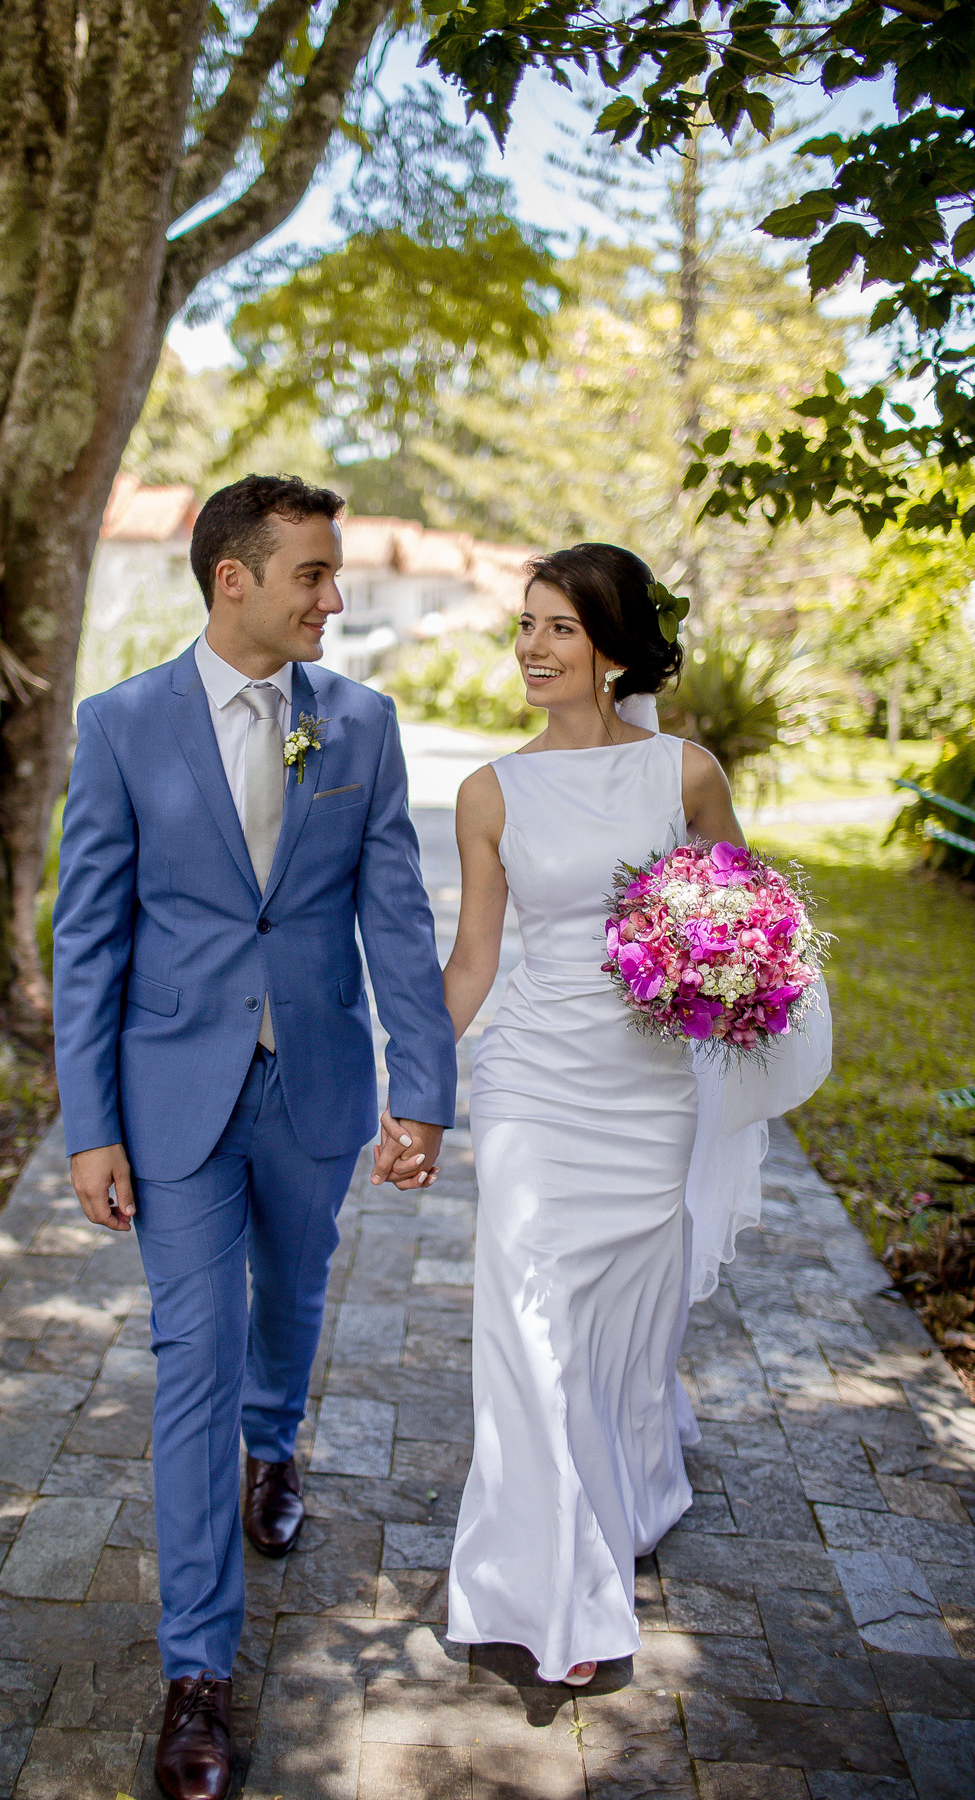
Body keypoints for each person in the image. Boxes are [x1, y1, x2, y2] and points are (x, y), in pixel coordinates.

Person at [52, 473, 457, 1800]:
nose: (335, 599)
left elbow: (395, 913)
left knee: (289, 1303)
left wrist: (424, 1087)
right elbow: (90, 939)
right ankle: (196, 1676)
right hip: (172, 1093)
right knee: (193, 1363)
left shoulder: (361, 724)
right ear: (236, 579)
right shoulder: (120, 727)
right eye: (314, 577)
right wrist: (88, 1125)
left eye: (334, 577)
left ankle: (276, 1445)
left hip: (316, 1084)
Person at [442, 543, 830, 1688]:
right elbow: (472, 961)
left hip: (650, 1092)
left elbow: (753, 924)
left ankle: (629, 1485)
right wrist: (410, 1083)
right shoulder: (490, 791)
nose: (532, 648)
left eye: (558, 627)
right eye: (525, 626)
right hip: (530, 1085)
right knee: (523, 1323)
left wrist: (729, 970)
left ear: (612, 647)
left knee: (624, 1336)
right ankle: (546, 1589)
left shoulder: (687, 774)